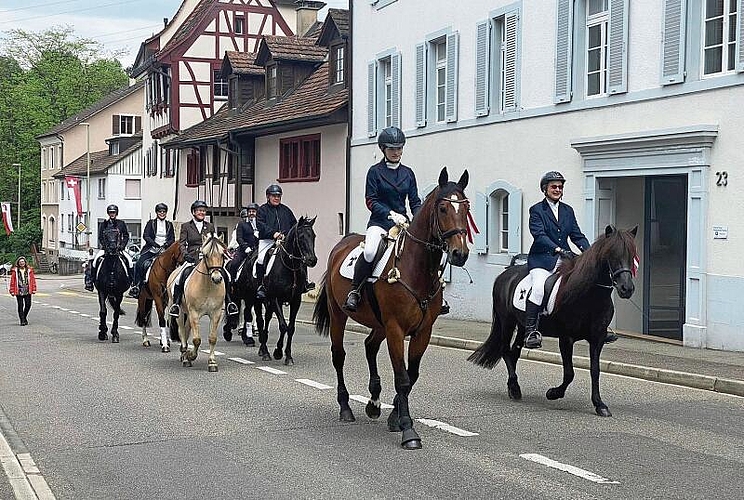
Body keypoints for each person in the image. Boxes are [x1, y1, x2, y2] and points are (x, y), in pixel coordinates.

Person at [343, 126, 424, 312]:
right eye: (392, 149)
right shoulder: (375, 172)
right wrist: (390, 214)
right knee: (370, 251)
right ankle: (355, 290)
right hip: (380, 223)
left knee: (422, 250)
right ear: (383, 149)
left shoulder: (408, 173)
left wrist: (418, 219)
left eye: (399, 148)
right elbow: (370, 200)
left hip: (403, 224)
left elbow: (414, 201)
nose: (396, 152)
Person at [524, 171, 591, 349]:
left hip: (565, 259)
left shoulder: (568, 210)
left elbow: (577, 235)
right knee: (538, 288)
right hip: (542, 260)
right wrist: (559, 249)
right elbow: (539, 236)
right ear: (545, 189)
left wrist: (589, 252)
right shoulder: (537, 210)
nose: (558, 189)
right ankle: (530, 331)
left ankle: (594, 324)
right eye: (554, 186)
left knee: (584, 283)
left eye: (560, 187)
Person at [168, 200, 239, 318]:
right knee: (179, 277)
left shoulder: (210, 226)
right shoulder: (186, 226)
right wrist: (186, 255)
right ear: (193, 212)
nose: (202, 213)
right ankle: (176, 304)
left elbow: (215, 241)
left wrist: (222, 251)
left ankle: (229, 303)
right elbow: (182, 243)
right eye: (199, 210)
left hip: (209, 258)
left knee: (227, 275)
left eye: (203, 211)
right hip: (192, 257)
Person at [255, 185, 313, 299]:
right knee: (261, 258)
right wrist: (273, 233)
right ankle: (261, 285)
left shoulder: (286, 210)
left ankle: (305, 282)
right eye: (274, 196)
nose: (276, 198)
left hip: (284, 241)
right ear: (268, 197)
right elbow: (261, 225)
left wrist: (290, 236)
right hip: (267, 240)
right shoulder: (262, 210)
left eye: (278, 196)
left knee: (300, 257)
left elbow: (294, 225)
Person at [129, 203, 175, 298]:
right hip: (151, 249)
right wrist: (155, 244)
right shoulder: (151, 223)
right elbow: (146, 235)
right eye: (160, 212)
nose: (162, 213)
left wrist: (166, 245)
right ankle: (136, 285)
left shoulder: (169, 224)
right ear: (157, 213)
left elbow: (172, 239)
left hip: (165, 251)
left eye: (164, 212)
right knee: (139, 263)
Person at [85, 204, 134, 291]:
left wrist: (122, 246)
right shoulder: (104, 224)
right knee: (94, 261)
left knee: (130, 261)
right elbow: (100, 237)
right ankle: (90, 281)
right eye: (110, 212)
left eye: (114, 212)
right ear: (108, 213)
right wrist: (105, 247)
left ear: (116, 213)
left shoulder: (121, 224)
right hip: (106, 250)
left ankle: (133, 283)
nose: (112, 214)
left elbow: (126, 236)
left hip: (119, 249)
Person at [9, 256, 37, 326]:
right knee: (20, 305)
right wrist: (12, 290)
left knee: (28, 305)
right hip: (19, 290)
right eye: (20, 262)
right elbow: (12, 281)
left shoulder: (29, 270)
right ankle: (22, 320)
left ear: (25, 262)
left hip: (27, 289)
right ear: (18, 263)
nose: (22, 263)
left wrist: (34, 289)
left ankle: (24, 317)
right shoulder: (15, 271)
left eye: (23, 262)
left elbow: (33, 280)